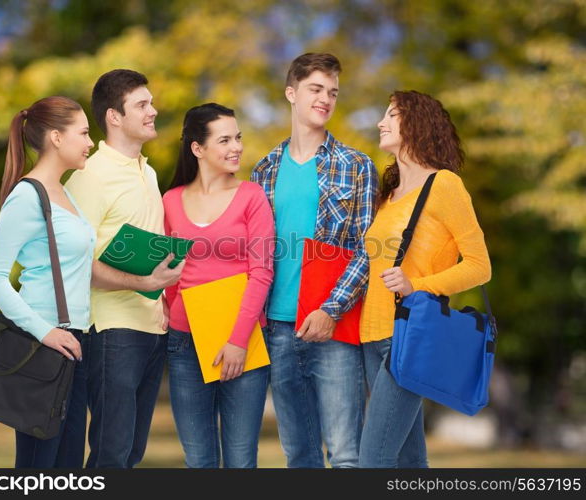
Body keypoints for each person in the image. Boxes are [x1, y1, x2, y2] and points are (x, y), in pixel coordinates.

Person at [250, 53, 378, 468]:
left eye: (333, 92)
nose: (326, 98)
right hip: (279, 329)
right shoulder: (264, 169)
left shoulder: (356, 166)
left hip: (334, 328)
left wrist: (330, 308)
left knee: (345, 456)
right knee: (299, 455)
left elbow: (368, 248)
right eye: (316, 89)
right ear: (291, 93)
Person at [358, 90, 492, 468]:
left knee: (373, 463)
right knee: (409, 462)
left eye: (392, 115)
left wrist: (418, 286)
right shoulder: (387, 195)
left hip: (411, 336)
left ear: (417, 123)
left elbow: (480, 266)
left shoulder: (445, 186)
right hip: (371, 337)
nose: (381, 122)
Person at [64, 69, 184, 468]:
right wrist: (143, 281)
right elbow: (74, 263)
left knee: (131, 453)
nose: (154, 111)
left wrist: (160, 293)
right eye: (142, 105)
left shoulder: (146, 172)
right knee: (111, 454)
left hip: (152, 327)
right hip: (112, 330)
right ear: (115, 117)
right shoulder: (89, 176)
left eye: (151, 103)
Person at [0, 96, 96, 468]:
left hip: (75, 343)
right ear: (57, 138)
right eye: (84, 132)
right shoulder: (27, 197)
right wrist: (45, 332)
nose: (90, 142)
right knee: (36, 471)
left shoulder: (65, 194)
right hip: (43, 346)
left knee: (66, 470)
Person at [163, 103, 275, 468]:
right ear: (198, 148)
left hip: (243, 340)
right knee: (198, 460)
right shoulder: (170, 201)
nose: (236, 147)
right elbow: (166, 272)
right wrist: (164, 306)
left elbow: (262, 272)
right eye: (224, 140)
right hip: (185, 343)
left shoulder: (252, 197)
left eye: (238, 137)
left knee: (241, 460)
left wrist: (237, 341)